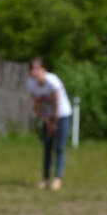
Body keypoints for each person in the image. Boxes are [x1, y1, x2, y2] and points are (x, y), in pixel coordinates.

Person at [28, 58, 72, 190]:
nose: (34, 72)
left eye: (37, 69)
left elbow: (56, 103)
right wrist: (47, 121)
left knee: (59, 147)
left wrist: (55, 123)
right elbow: (37, 106)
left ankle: (58, 179)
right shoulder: (31, 84)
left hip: (62, 115)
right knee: (47, 146)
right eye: (32, 69)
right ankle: (45, 179)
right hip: (48, 117)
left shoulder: (52, 81)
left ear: (43, 70)